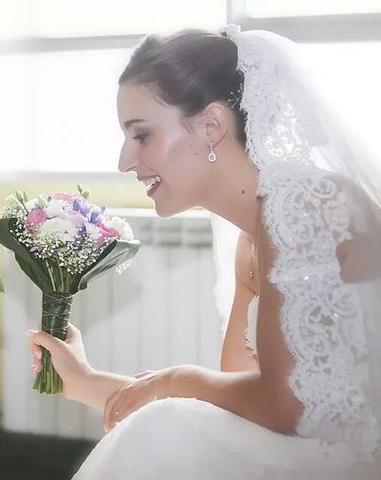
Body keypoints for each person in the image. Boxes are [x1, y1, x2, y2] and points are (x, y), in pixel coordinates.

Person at [28, 25, 381, 479]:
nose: (124, 160)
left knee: (160, 429)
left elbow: (281, 408)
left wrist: (177, 378)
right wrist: (87, 382)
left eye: (141, 135)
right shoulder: (250, 241)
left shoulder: (303, 205)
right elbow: (235, 411)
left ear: (211, 125)